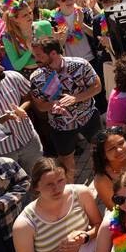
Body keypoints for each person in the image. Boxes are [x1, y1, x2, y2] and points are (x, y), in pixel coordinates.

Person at [28, 36, 103, 181]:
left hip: (88, 116)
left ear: (53, 54)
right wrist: (52, 105)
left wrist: (76, 98)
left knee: (98, 150)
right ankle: (71, 191)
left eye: (38, 55)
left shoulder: (81, 65)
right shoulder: (36, 78)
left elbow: (97, 87)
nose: (34, 58)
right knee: (66, 161)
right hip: (61, 125)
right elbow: (40, 106)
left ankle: (100, 179)